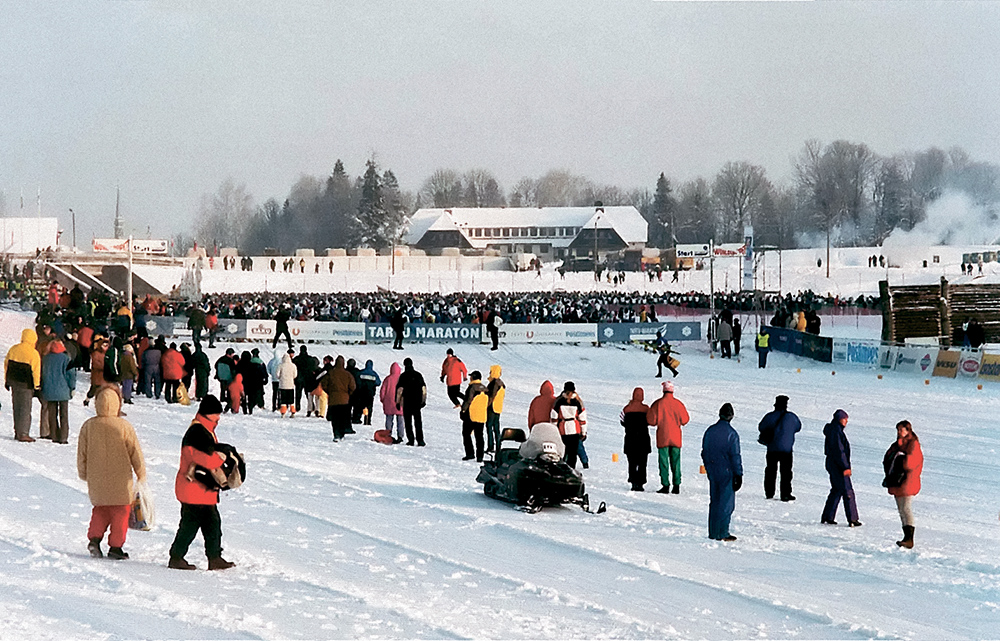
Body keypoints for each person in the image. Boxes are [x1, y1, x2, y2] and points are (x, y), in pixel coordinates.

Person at [167, 395, 235, 570]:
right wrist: (224, 457)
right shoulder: (197, 433)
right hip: (192, 490)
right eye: (216, 414)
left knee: (212, 524)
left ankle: (214, 558)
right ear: (208, 414)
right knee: (189, 526)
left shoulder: (205, 430)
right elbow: (208, 460)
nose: (219, 418)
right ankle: (176, 557)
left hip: (203, 490)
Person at [77, 388, 147, 560]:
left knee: (100, 510)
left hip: (97, 478)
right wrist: (141, 473)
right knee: (120, 513)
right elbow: (135, 452)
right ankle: (115, 547)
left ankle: (94, 538)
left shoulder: (88, 426)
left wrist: (83, 473)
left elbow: (82, 454)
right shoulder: (124, 426)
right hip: (121, 479)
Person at [701, 403, 743, 541]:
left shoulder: (709, 431)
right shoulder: (732, 434)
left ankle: (713, 532)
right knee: (726, 503)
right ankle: (722, 532)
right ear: (731, 416)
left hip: (713, 471)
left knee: (714, 501)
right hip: (727, 472)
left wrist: (708, 467)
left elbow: (704, 452)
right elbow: (735, 456)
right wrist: (738, 474)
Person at [882, 420, 923, 548]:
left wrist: (900, 458)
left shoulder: (913, 444)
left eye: (902, 430)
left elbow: (910, 463)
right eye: (898, 430)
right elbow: (886, 458)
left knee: (906, 508)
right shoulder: (897, 444)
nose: (899, 432)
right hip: (897, 480)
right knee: (901, 509)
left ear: (908, 430)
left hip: (908, 481)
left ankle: (909, 538)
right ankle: (906, 537)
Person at [646, 380, 690, 494]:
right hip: (676, 437)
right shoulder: (678, 404)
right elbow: (685, 420)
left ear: (663, 390)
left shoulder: (658, 404)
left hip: (663, 437)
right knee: (676, 462)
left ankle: (665, 485)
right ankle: (676, 485)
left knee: (663, 461)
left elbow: (651, 420)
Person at [821, 409, 861, 527]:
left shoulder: (833, 430)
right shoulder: (836, 432)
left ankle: (828, 516)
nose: (846, 422)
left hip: (832, 464)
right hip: (838, 465)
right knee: (847, 490)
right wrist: (845, 467)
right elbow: (840, 451)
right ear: (839, 419)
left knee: (836, 490)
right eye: (844, 419)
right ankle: (852, 518)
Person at [757, 395, 802, 501]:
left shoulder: (769, 416)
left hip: (772, 448)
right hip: (786, 449)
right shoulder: (792, 417)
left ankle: (769, 493)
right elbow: (798, 427)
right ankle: (785, 494)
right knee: (786, 472)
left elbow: (761, 427)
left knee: (770, 471)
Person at [5, 328, 41, 442]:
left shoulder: (13, 349)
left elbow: (6, 364)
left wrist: (7, 380)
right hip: (26, 384)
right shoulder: (33, 353)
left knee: (16, 407)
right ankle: (24, 433)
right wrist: (37, 385)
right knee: (25, 408)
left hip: (14, 382)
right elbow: (36, 371)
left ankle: (17, 431)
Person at [40, 339, 76, 443]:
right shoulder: (66, 359)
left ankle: (54, 435)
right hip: (63, 391)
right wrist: (72, 388)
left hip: (49, 390)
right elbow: (71, 375)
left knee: (52, 414)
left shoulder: (46, 359)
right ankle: (63, 437)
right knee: (63, 414)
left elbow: (43, 374)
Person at [620, 387, 651, 491]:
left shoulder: (626, 409)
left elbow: (622, 421)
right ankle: (641, 483)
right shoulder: (646, 409)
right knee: (642, 463)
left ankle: (633, 482)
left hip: (630, 440)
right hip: (643, 440)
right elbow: (650, 420)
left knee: (632, 462)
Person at [551, 381, 587, 469]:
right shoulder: (578, 402)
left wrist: (554, 429)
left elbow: (554, 417)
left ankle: (562, 469)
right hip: (575, 429)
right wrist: (583, 432)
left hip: (562, 429)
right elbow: (583, 419)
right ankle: (571, 470)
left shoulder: (559, 401)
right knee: (573, 453)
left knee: (563, 452)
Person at [321, 356, 356, 441]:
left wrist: (330, 392)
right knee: (342, 418)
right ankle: (342, 434)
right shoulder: (347, 374)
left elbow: (323, 384)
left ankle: (336, 434)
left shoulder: (331, 373)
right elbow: (353, 386)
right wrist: (348, 394)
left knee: (335, 419)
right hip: (344, 400)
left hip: (333, 400)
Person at [395, 358, 427, 446]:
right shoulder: (418, 375)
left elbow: (399, 390)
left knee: (408, 422)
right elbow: (423, 388)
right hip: (417, 402)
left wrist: (397, 402)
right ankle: (420, 440)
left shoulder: (403, 376)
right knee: (418, 422)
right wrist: (423, 400)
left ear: (404, 365)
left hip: (407, 402)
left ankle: (411, 439)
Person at [460, 370, 488, 461]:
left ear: (473, 377)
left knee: (466, 434)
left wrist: (463, 410)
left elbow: (468, 400)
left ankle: (470, 453)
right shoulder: (485, 388)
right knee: (479, 436)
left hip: (471, 415)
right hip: (481, 415)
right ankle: (480, 456)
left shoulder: (472, 388)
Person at [380, 362, 405, 443]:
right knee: (400, 420)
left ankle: (388, 434)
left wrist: (383, 399)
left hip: (389, 402)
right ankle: (400, 436)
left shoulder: (387, 379)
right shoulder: (402, 379)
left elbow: (383, 390)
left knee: (389, 419)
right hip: (399, 402)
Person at [485, 365, 506, 454]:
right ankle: (498, 446)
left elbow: (491, 396)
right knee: (496, 428)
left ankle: (491, 446)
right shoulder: (501, 383)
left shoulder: (494, 383)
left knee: (489, 427)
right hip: (498, 408)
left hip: (492, 408)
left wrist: (486, 406)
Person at [354, 360, 381, 425]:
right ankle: (367, 420)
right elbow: (378, 383)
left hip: (361, 393)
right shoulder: (374, 374)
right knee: (369, 407)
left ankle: (357, 418)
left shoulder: (361, 372)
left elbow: (357, 381)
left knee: (360, 406)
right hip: (370, 394)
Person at [276, 349, 298, 417]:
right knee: (291, 400)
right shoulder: (293, 366)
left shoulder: (280, 365)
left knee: (283, 400)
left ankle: (283, 412)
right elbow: (295, 375)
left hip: (283, 385)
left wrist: (280, 378)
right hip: (291, 385)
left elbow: (277, 374)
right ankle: (293, 411)